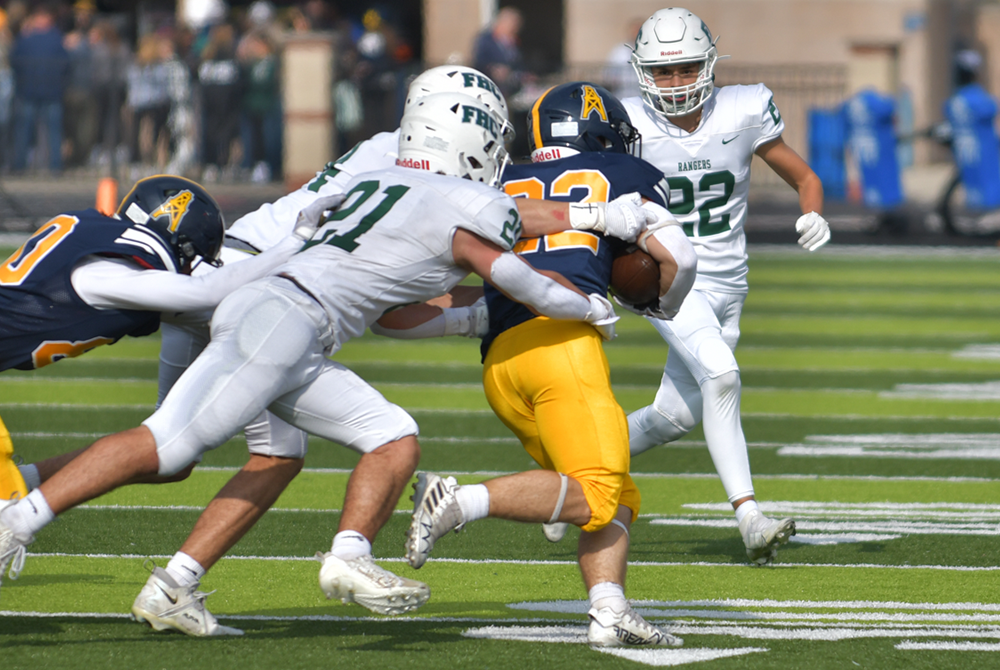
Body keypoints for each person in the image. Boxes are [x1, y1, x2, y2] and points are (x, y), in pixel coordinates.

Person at [0, 92, 637, 634]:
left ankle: (343, 557)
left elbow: (400, 298)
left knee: (390, 436)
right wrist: (593, 277)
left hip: (288, 316)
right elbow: (517, 240)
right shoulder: (445, 193)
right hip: (274, 304)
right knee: (166, 446)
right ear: (463, 135)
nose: (498, 160)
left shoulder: (379, 174)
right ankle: (19, 519)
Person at [403, 82, 695, 648]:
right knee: (598, 493)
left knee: (616, 494)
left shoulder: (503, 178)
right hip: (562, 347)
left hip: (501, 361)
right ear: (598, 131)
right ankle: (456, 502)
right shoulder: (621, 172)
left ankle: (608, 610)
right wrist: (659, 303)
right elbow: (679, 258)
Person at [622, 8, 830, 565]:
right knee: (722, 375)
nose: (675, 82)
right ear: (644, 74)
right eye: (663, 72)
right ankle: (749, 516)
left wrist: (813, 213)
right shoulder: (627, 129)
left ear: (709, 64)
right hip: (670, 281)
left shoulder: (742, 110)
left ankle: (568, 475)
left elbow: (805, 177)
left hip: (730, 286)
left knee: (673, 419)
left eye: (686, 68)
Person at [10, 3, 69, 173]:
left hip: (29, 90)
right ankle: (55, 167)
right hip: (51, 90)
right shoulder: (57, 39)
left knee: (25, 131)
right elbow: (66, 64)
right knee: (52, 132)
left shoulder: (26, 38)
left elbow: (14, 60)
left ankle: (20, 166)